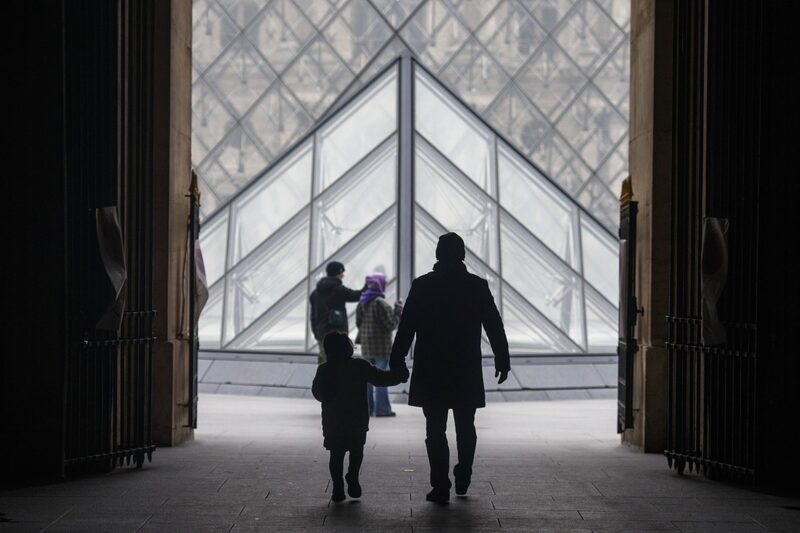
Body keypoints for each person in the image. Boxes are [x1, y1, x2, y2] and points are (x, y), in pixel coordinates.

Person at [389, 232, 510, 504]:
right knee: (466, 424)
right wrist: (502, 358)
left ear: (437, 255)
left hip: (431, 367)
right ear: (463, 255)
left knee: (435, 428)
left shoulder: (422, 286)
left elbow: (407, 326)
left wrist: (397, 360)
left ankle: (440, 485)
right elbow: (493, 324)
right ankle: (464, 473)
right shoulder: (477, 286)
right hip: (465, 367)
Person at [312, 331, 408, 503]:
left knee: (336, 455)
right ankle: (353, 476)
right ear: (349, 348)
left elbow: (317, 393)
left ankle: (337, 487)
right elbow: (381, 378)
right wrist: (399, 376)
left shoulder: (324, 369)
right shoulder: (359, 366)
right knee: (357, 452)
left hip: (334, 421)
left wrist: (329, 397)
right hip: (357, 420)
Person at [355, 272, 403, 417]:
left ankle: (367, 409)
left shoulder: (362, 302)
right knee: (382, 378)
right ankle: (383, 409)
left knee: (368, 379)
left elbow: (358, 323)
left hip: (367, 347)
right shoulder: (380, 303)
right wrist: (398, 311)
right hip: (382, 347)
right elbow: (391, 325)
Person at [309, 261, 363, 364]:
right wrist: (367, 287)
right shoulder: (338, 289)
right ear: (337, 273)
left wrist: (316, 332)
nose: (343, 276)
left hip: (321, 333)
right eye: (341, 273)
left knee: (324, 362)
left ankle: (324, 380)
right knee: (339, 363)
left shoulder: (315, 293)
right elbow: (355, 296)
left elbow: (313, 317)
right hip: (338, 333)